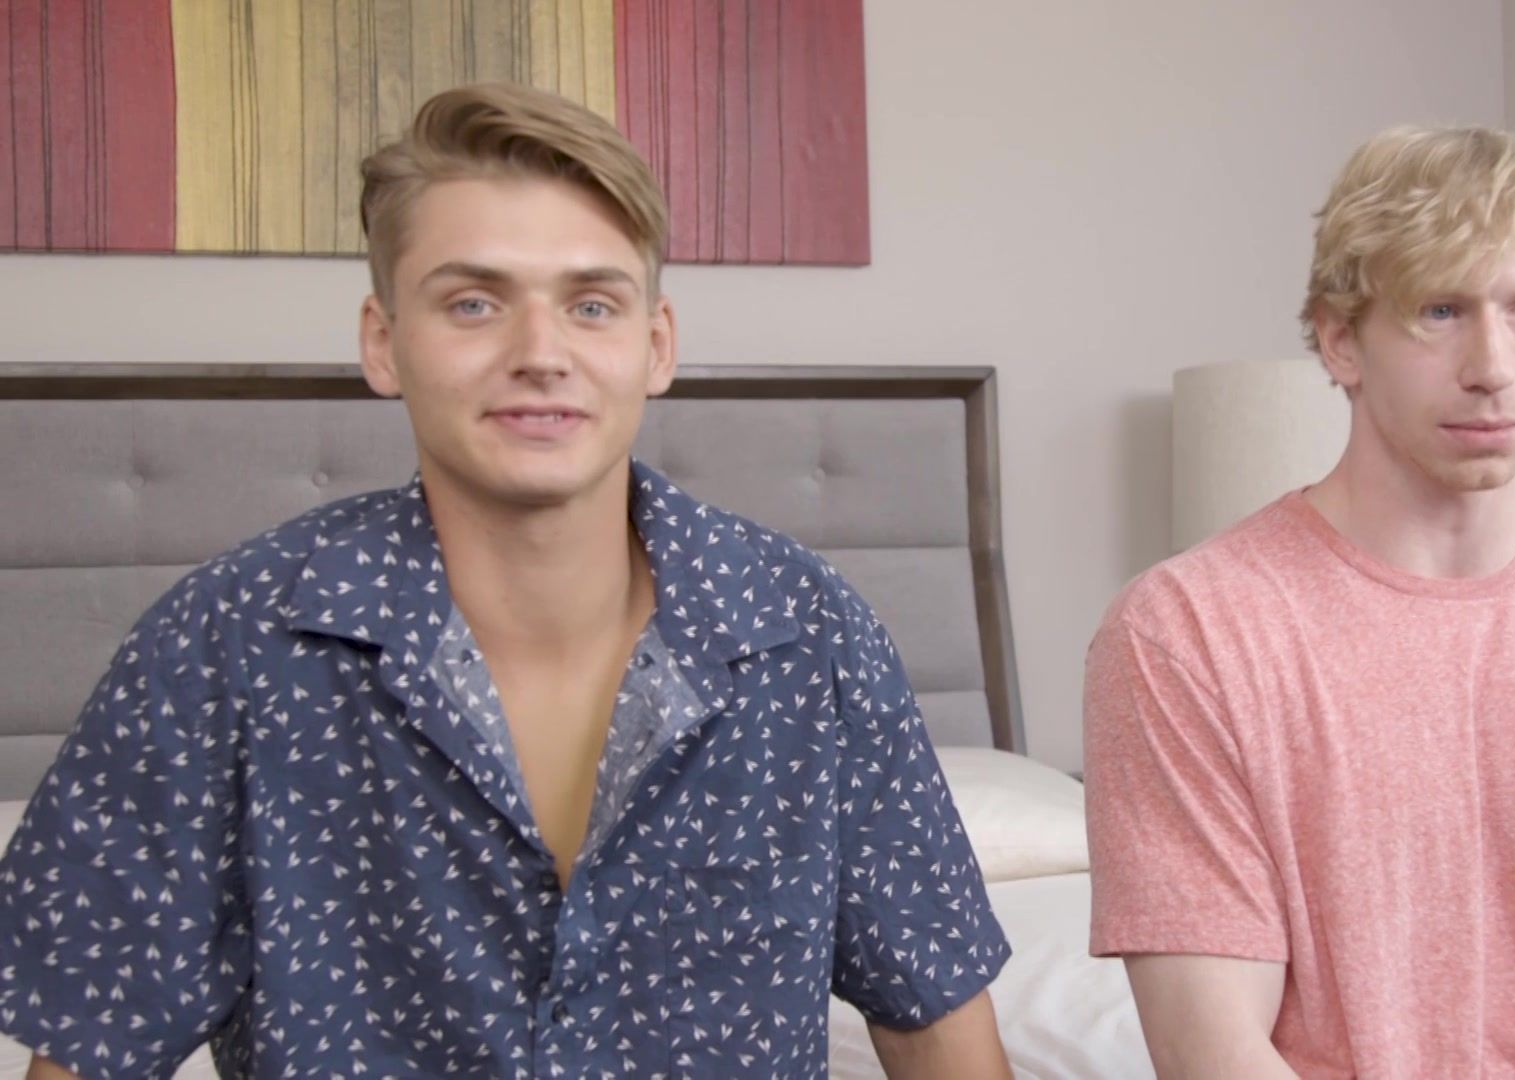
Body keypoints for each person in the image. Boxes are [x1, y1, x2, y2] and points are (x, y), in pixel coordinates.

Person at [0, 82, 1011, 1080]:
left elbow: (939, 1035)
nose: (540, 354)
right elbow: (93, 1047)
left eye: (592, 305)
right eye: (474, 303)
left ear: (656, 346)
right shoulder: (221, 647)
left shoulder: (807, 633)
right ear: (384, 342)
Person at [1084, 126, 1515, 1078]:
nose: (1493, 365)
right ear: (1340, 340)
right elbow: (1213, 1054)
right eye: (1440, 311)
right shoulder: (1185, 636)